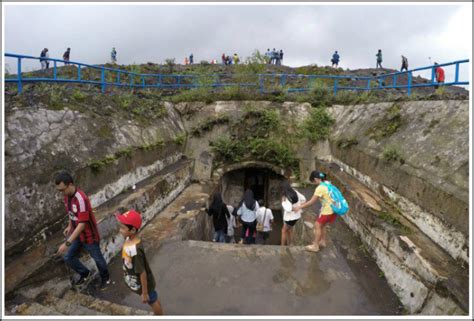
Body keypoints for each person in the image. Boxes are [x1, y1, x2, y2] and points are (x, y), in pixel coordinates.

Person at [54, 172, 110, 290]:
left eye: (62, 190)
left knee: (98, 259)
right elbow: (71, 213)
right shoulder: (67, 197)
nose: (61, 193)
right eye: (59, 190)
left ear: (70, 185)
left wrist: (67, 243)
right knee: (68, 257)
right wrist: (69, 226)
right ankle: (85, 274)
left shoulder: (81, 199)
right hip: (77, 235)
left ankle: (106, 278)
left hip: (89, 236)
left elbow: (82, 225)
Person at [115, 209, 164, 315]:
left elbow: (142, 272)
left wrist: (144, 293)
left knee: (152, 301)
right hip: (139, 282)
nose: (120, 230)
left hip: (144, 285)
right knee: (154, 299)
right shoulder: (130, 239)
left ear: (132, 230)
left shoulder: (135, 250)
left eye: (123, 228)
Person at [293, 171, 337, 253]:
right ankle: (323, 241)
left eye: (313, 181)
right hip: (333, 210)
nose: (314, 183)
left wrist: (299, 207)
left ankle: (315, 246)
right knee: (323, 225)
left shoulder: (320, 188)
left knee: (317, 225)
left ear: (316, 179)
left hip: (328, 211)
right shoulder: (328, 184)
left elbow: (311, 202)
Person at [281, 181, 306, 246]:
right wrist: (298, 207)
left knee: (283, 231)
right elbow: (304, 199)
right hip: (296, 216)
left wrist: (283, 202)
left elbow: (288, 209)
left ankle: (282, 246)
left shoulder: (286, 197)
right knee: (290, 229)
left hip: (289, 218)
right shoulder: (295, 191)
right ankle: (291, 243)